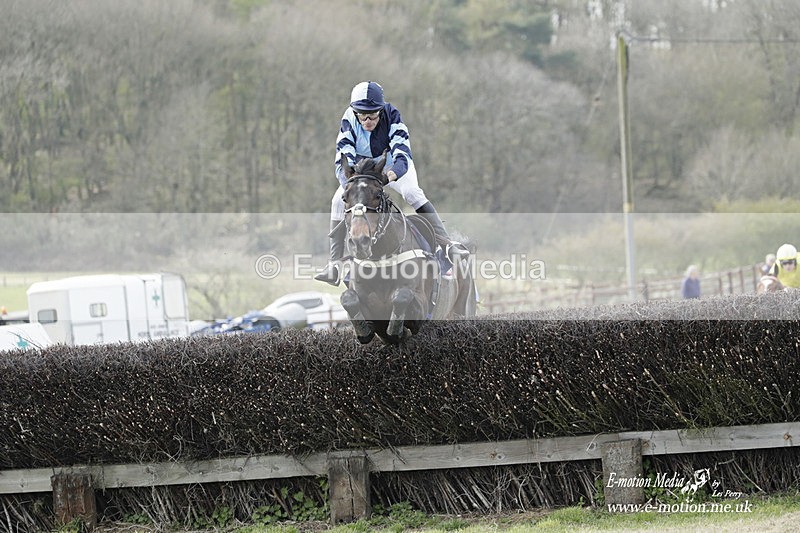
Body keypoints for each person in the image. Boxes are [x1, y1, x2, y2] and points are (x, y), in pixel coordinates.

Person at [315, 81, 468, 286]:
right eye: (363, 115)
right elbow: (342, 161)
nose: (368, 120)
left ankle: (447, 245)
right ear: (355, 112)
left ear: (381, 110)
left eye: (373, 115)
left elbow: (402, 158)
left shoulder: (393, 115)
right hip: (361, 170)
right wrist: (351, 185)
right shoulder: (348, 119)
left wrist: (387, 178)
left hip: (391, 166)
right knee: (337, 201)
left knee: (412, 193)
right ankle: (334, 264)